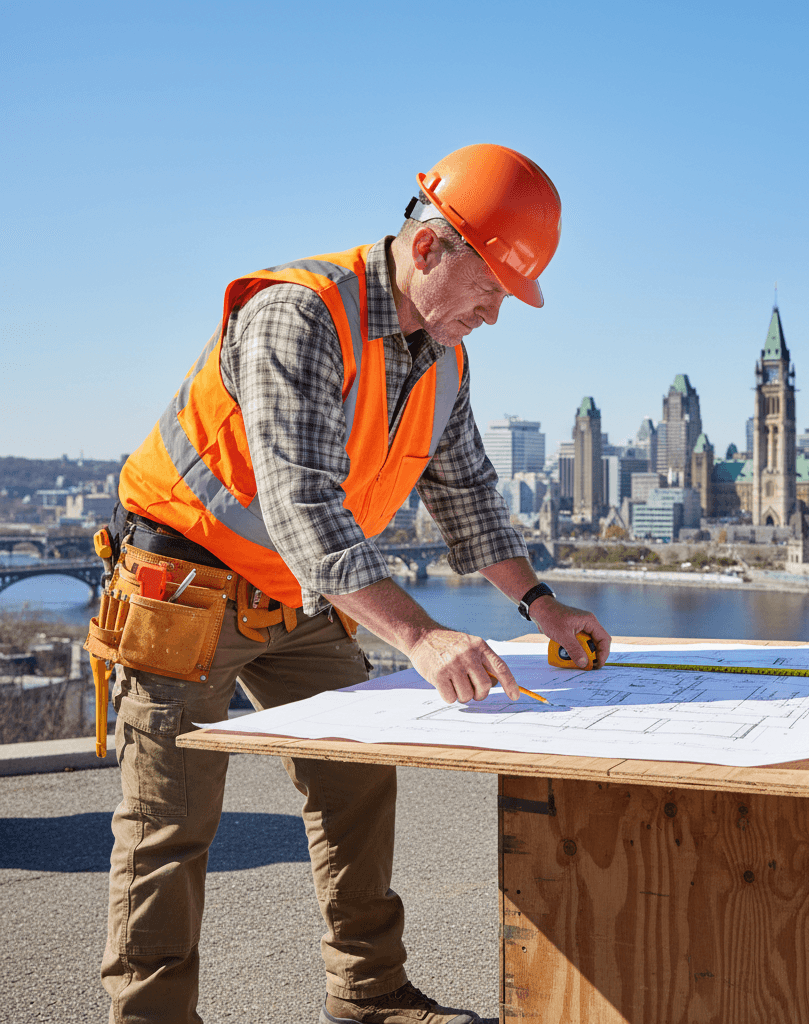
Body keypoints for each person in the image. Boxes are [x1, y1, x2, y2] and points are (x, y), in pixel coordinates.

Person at [95, 143, 611, 1024]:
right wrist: (419, 636)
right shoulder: (299, 315)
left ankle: (368, 995)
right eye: (491, 289)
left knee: (355, 789)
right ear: (428, 251)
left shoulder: (443, 356)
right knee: (168, 826)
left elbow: (468, 496)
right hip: (185, 589)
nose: (494, 314)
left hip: (301, 596)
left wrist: (540, 603)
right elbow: (300, 505)